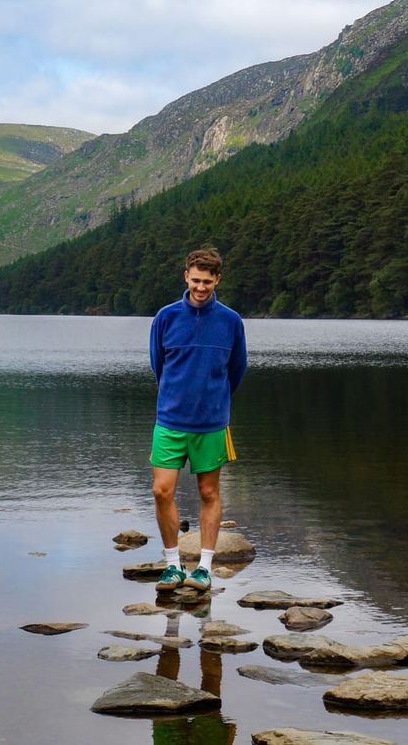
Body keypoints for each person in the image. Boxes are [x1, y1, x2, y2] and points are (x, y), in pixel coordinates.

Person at [148, 247, 247, 593]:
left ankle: (204, 568)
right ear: (185, 277)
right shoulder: (166, 317)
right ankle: (172, 566)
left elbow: (237, 370)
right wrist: (178, 396)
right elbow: (158, 365)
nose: (201, 287)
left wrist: (214, 400)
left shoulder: (231, 321)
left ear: (217, 279)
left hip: (212, 423)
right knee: (162, 491)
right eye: (195, 280)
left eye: (207, 281)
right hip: (170, 420)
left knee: (208, 491)